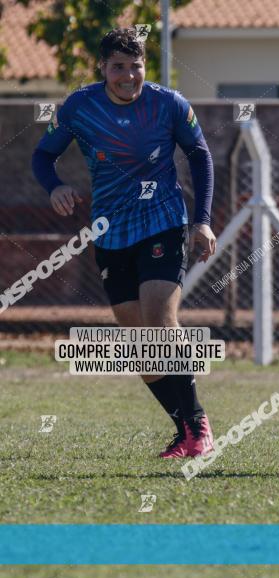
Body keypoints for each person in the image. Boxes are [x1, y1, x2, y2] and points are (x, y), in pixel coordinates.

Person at [31, 28, 218, 457]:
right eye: (119, 67)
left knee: (158, 319)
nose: (128, 76)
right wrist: (55, 187)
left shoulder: (169, 104)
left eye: (136, 66)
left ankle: (197, 430)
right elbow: (42, 156)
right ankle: (185, 428)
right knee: (140, 346)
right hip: (111, 233)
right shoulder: (80, 106)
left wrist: (203, 222)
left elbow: (200, 155)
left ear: (144, 68)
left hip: (163, 222)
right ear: (103, 69)